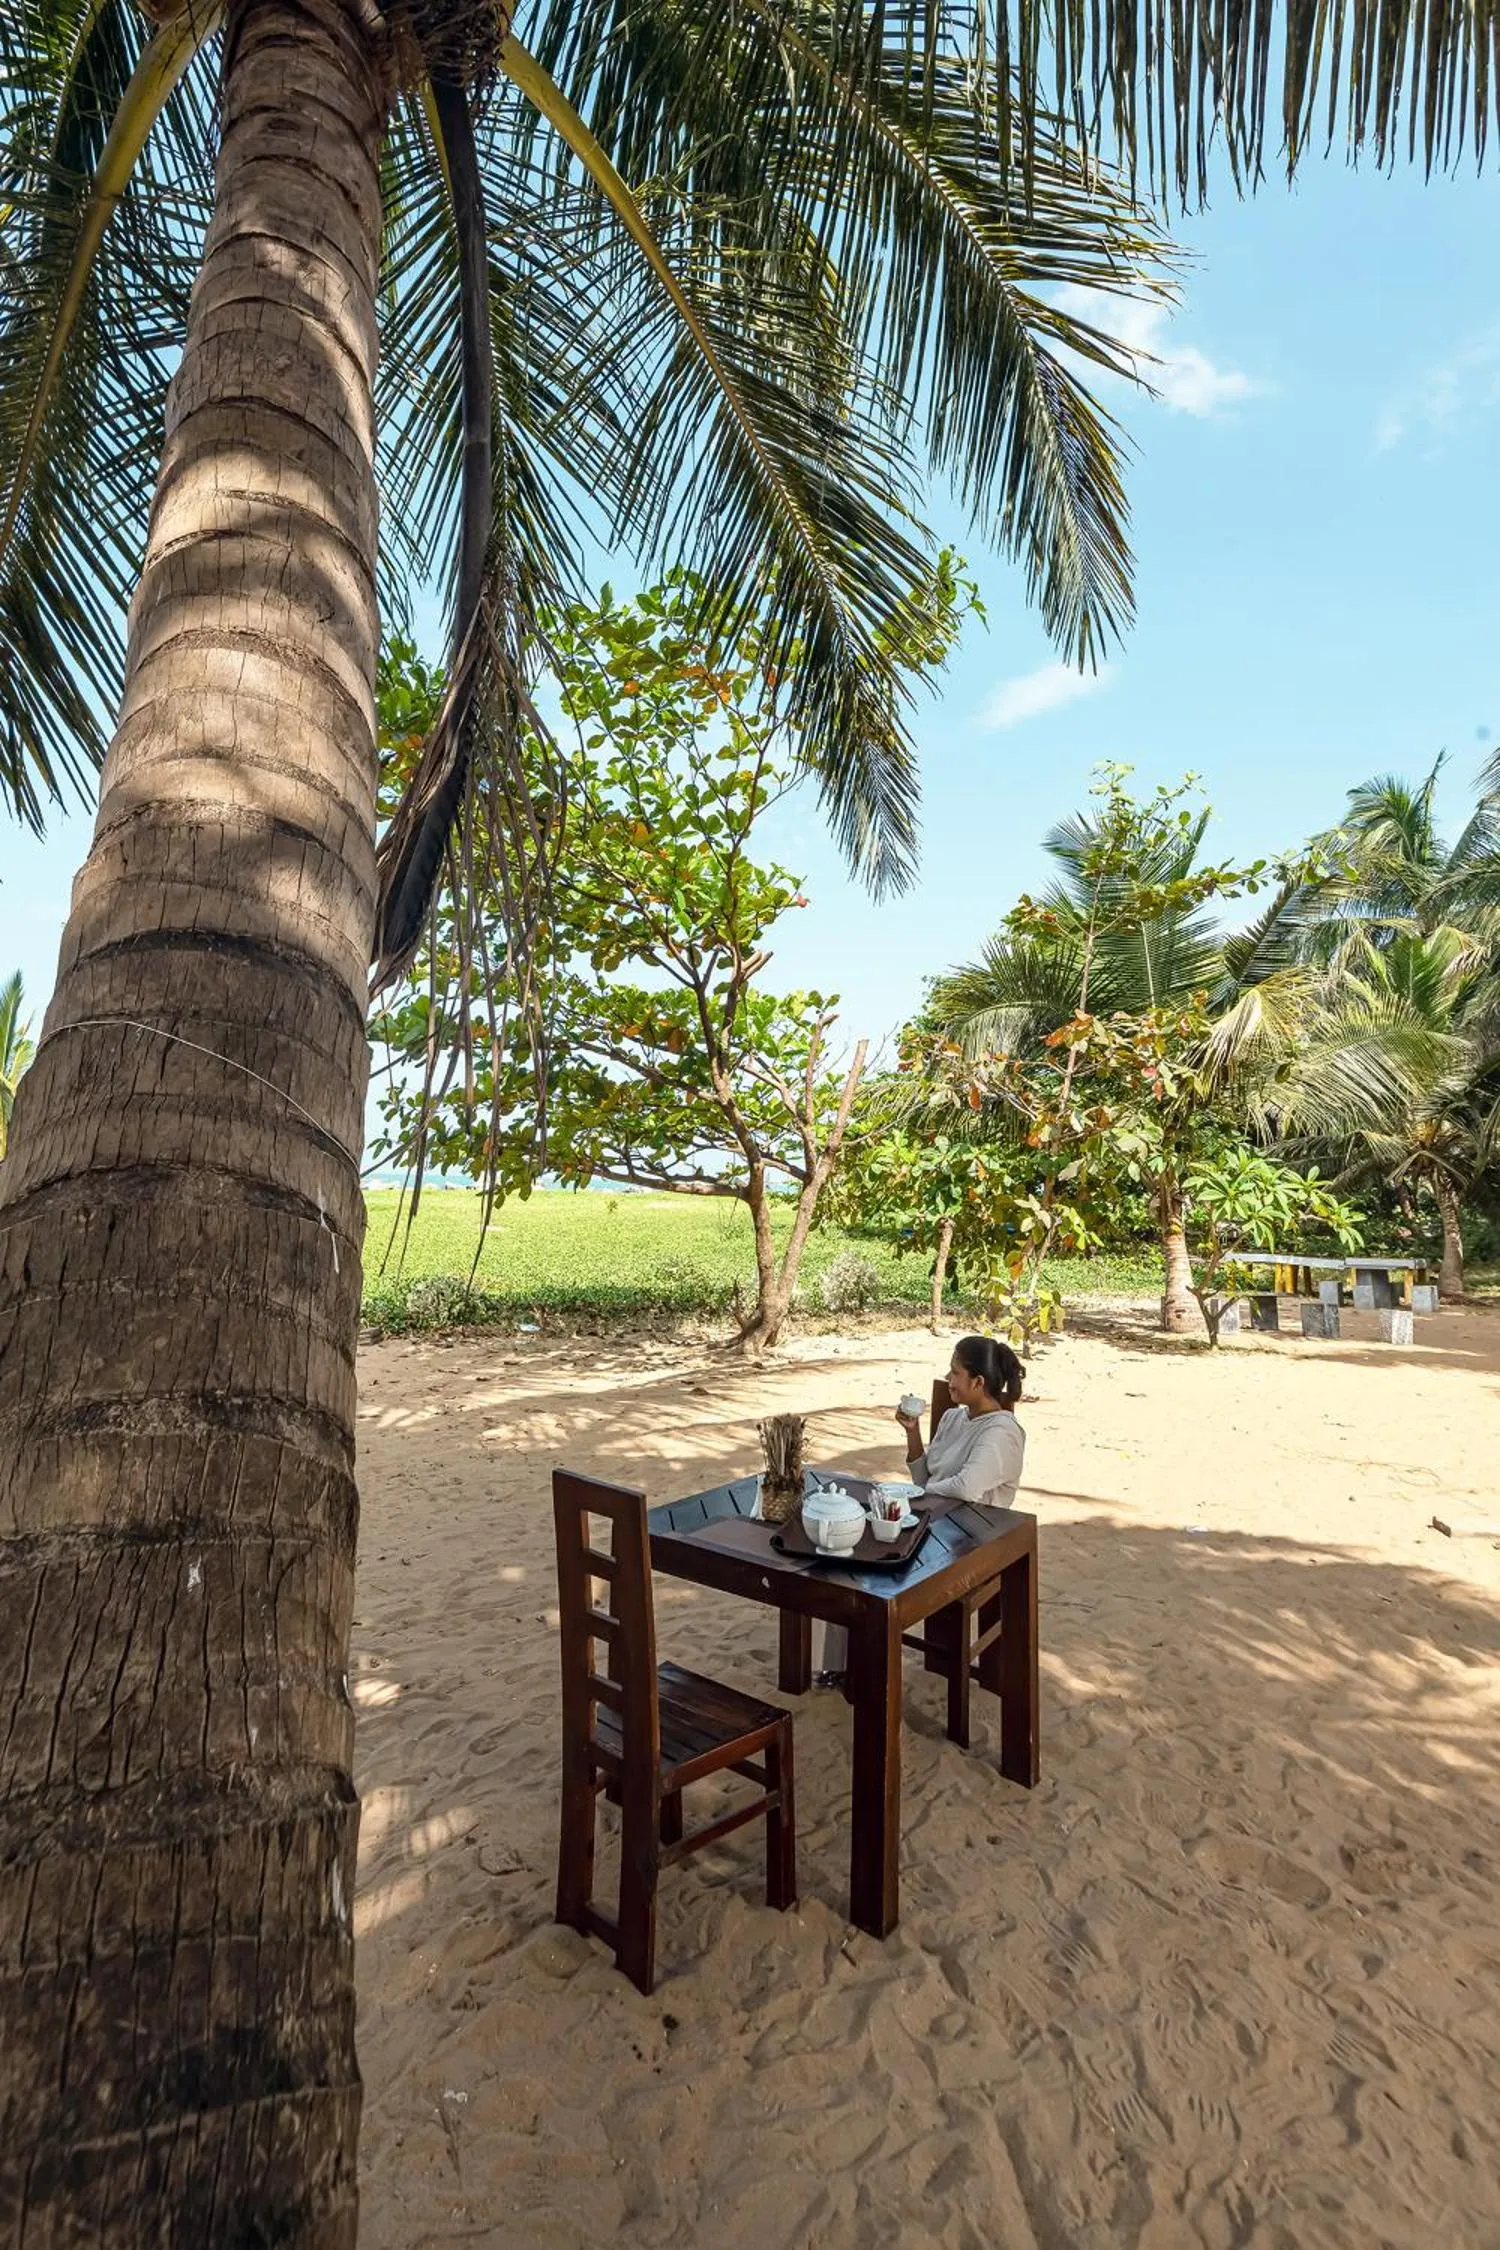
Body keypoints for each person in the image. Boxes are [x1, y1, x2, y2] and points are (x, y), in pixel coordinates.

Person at [813, 1335, 1027, 1687]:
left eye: (955, 1373)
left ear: (978, 1382)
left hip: (968, 1540)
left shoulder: (1002, 1432)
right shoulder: (954, 1420)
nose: (948, 1379)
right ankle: (838, 1667)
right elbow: (925, 1475)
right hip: (931, 1521)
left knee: (867, 1566)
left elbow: (964, 1489)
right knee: (843, 1549)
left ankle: (864, 1673)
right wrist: (912, 1434)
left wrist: (912, 1496)